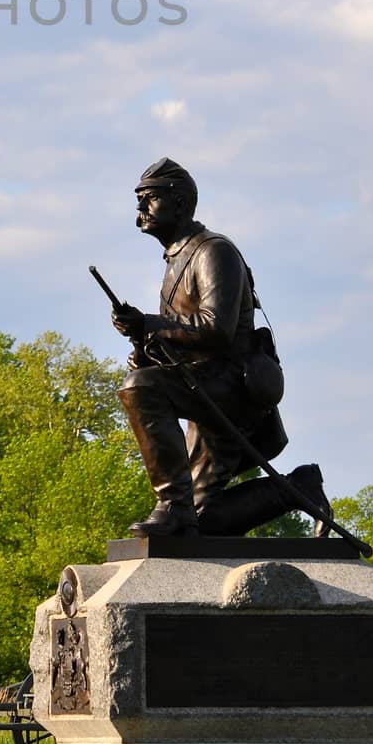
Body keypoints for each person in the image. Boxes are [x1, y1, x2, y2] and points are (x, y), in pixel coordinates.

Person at [113, 157, 329, 537]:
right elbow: (181, 339)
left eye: (149, 198)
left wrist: (151, 324)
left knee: (140, 387)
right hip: (203, 384)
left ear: (179, 202)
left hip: (230, 388)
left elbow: (216, 331)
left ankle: (173, 504)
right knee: (204, 522)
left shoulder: (213, 252)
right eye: (139, 200)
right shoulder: (175, 258)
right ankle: (298, 489)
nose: (141, 208)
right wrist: (144, 344)